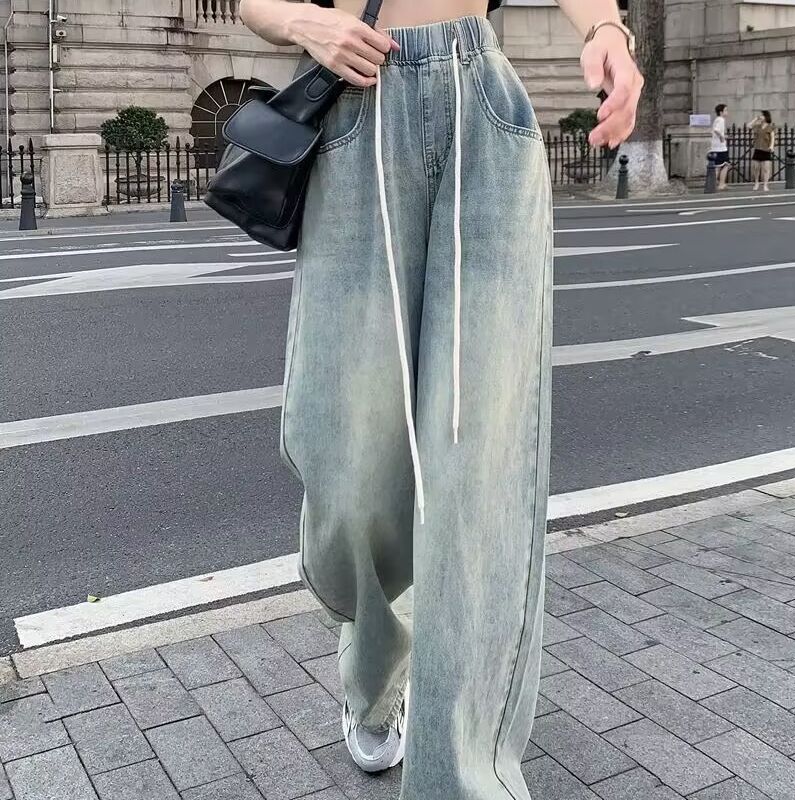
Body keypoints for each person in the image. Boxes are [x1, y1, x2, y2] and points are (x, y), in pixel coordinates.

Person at [240, 1, 641, 797]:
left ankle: (464, 774)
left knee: (475, 480)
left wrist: (607, 31)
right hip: (356, 112)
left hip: (481, 108)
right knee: (348, 472)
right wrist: (302, 24)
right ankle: (375, 664)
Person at [750, 110, 776, 191]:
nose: (760, 117)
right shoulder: (758, 126)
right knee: (756, 168)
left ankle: (765, 185)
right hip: (758, 148)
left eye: (762, 115)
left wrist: (771, 146)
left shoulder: (770, 127)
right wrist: (755, 119)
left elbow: (772, 137)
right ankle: (756, 183)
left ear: (766, 117)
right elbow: (749, 126)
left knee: (766, 168)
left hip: (766, 149)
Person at [711, 102, 731, 190]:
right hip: (721, 148)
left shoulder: (717, 120)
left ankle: (713, 184)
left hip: (715, 147)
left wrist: (723, 136)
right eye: (725, 110)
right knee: (725, 165)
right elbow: (716, 130)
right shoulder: (721, 120)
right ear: (721, 112)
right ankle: (721, 184)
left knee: (717, 166)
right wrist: (722, 137)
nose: (727, 112)